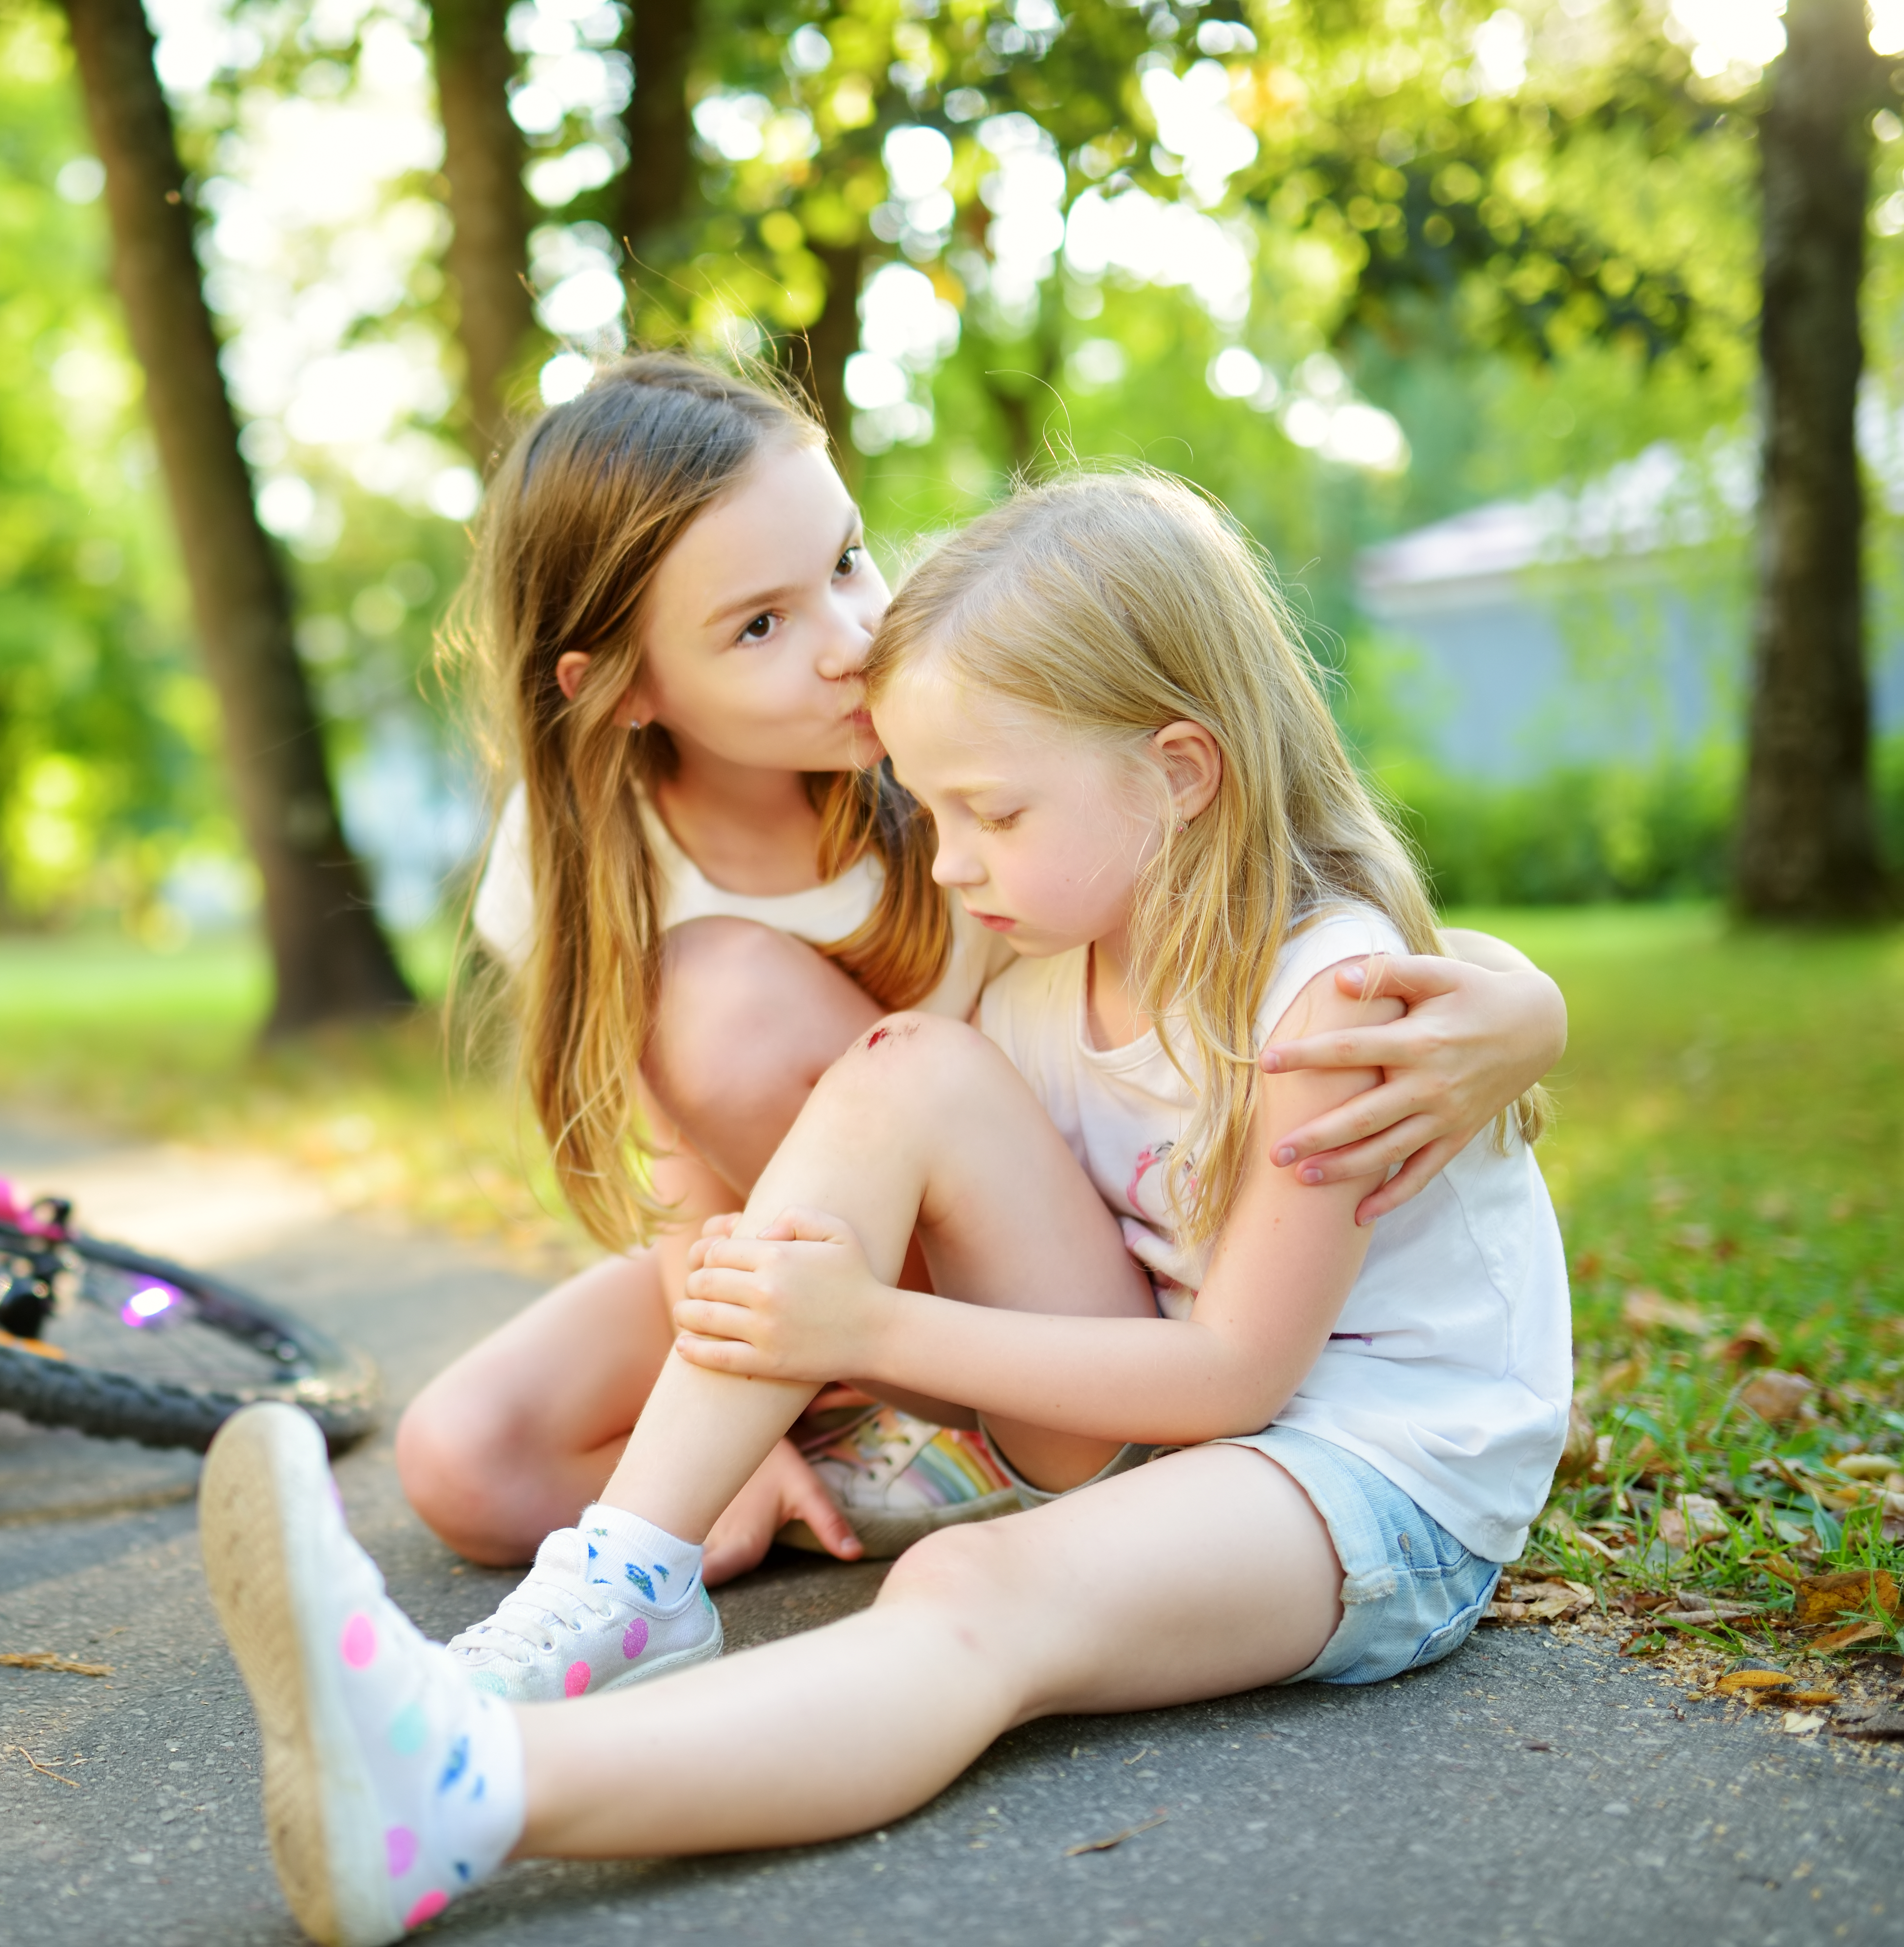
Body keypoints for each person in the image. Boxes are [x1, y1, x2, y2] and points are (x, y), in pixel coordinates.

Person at [197, 468, 1573, 1946]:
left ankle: (467, 1792)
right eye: (933, 811)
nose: (951, 857)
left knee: (977, 1596)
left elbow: (1238, 1373)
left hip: (1374, 1478)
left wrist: (867, 1325)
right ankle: (621, 1580)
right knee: (904, 1064)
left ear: (1182, 771)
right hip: (1170, 1424)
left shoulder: (1329, 1011)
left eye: (992, 811)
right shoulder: (1045, 964)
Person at [401, 354, 1569, 1579]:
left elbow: (1272, 890)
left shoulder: (973, 781)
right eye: (760, 624)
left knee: (731, 1003)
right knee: (462, 1458)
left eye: (847, 561)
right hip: (794, 1260)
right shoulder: (573, 853)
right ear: (626, 688)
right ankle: (815, 1462)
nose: (852, 642)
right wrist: (722, 1432)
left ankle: (929, 1440)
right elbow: (690, 1174)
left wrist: (1526, 1006)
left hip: (1018, 1284)